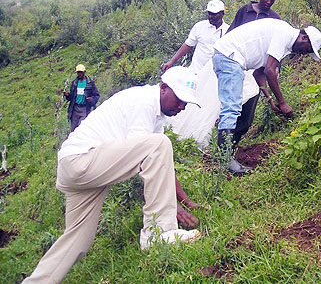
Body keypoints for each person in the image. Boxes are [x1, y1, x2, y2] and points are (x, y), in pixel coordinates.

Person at [23, 66, 203, 284]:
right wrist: (171, 207)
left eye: (186, 102)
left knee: (78, 240)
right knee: (159, 145)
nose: (182, 106)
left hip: (77, 168)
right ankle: (157, 234)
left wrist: (184, 200)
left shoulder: (155, 114)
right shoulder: (143, 102)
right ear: (164, 88)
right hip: (82, 160)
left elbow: (160, 163)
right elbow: (148, 157)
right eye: (180, 99)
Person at [212, 18, 321, 174]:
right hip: (229, 56)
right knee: (232, 106)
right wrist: (282, 102)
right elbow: (270, 71)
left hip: (231, 58)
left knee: (243, 114)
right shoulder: (284, 33)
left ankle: (226, 155)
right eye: (307, 49)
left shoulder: (284, 43)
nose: (305, 54)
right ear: (304, 37)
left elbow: (259, 73)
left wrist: (270, 99)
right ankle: (224, 160)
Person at [226, 0, 281, 146]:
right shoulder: (245, 11)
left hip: (256, 70)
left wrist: (275, 69)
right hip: (236, 64)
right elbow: (231, 33)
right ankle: (224, 148)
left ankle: (233, 146)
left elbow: (275, 48)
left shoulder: (274, 18)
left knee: (247, 113)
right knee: (231, 107)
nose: (269, 2)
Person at [162, 0, 229, 74]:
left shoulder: (228, 30)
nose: (210, 16)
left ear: (222, 14)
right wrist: (171, 61)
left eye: (214, 14)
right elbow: (188, 45)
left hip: (216, 75)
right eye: (209, 13)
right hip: (196, 72)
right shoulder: (199, 26)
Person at [64, 64, 100, 133]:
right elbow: (72, 98)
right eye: (78, 72)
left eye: (81, 72)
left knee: (82, 128)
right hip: (75, 109)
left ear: (84, 72)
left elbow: (96, 95)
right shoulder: (74, 83)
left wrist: (91, 100)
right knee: (73, 129)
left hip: (84, 109)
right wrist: (68, 95)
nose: (79, 74)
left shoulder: (90, 83)